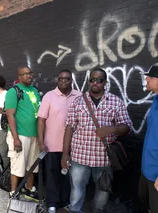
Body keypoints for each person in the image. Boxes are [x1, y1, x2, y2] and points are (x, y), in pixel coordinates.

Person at [61, 67, 132, 213]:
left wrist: (111, 129)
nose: (95, 83)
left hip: (104, 159)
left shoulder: (115, 101)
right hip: (80, 157)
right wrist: (65, 154)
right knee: (76, 193)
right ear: (89, 81)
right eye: (92, 79)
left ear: (105, 82)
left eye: (99, 80)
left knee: (102, 193)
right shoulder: (78, 101)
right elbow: (69, 127)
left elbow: (127, 127)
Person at [37, 70, 81, 213]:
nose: (63, 81)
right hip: (52, 145)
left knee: (69, 176)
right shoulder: (49, 96)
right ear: (57, 80)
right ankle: (52, 203)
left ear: (71, 80)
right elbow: (41, 120)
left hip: (73, 146)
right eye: (61, 78)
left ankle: (65, 202)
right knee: (52, 175)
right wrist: (41, 141)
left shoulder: (79, 96)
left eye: (67, 79)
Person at [5, 65, 41, 198]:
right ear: (19, 77)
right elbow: (10, 115)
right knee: (17, 164)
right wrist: (15, 138)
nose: (29, 76)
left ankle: (29, 189)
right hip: (20, 135)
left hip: (35, 135)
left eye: (30, 73)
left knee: (32, 165)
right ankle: (14, 191)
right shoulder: (13, 91)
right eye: (25, 74)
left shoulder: (35, 91)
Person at [138, 63, 158, 213]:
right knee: (144, 200)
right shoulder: (155, 100)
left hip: (156, 174)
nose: (147, 79)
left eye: (150, 77)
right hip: (147, 169)